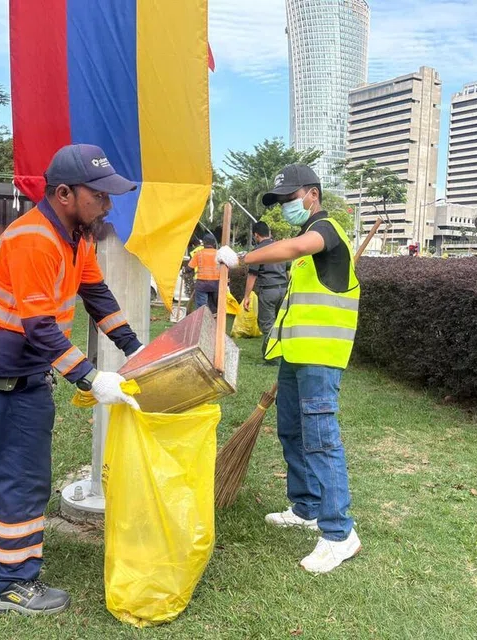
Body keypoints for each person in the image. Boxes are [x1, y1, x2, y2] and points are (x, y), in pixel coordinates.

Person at [0, 144, 143, 616]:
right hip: (8, 366)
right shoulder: (34, 239)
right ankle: (13, 583)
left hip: (1, 361)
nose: (107, 204)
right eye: (99, 195)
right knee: (22, 469)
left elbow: (96, 293)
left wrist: (134, 346)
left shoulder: (76, 236)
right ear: (64, 193)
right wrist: (89, 378)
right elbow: (40, 327)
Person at [216, 163, 361, 574]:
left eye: (288, 198)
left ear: (312, 194)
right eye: (279, 201)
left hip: (320, 359)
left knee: (320, 438)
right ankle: (307, 507)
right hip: (296, 358)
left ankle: (339, 534)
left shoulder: (327, 230)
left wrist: (242, 257)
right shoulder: (307, 244)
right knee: (292, 431)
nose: (284, 206)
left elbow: (294, 248)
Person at [241, 221, 288, 359]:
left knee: (267, 325)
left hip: (268, 290)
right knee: (280, 323)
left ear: (256, 235)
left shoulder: (258, 252)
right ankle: (282, 353)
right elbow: (288, 271)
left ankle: (272, 357)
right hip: (283, 288)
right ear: (269, 233)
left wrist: (247, 296)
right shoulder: (280, 247)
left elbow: (252, 275)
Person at [185, 234, 220, 314]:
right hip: (215, 284)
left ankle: (202, 323)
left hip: (202, 284)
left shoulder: (198, 253)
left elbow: (190, 268)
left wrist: (185, 270)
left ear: (204, 243)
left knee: (201, 308)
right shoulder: (218, 254)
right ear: (214, 244)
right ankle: (214, 323)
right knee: (214, 307)